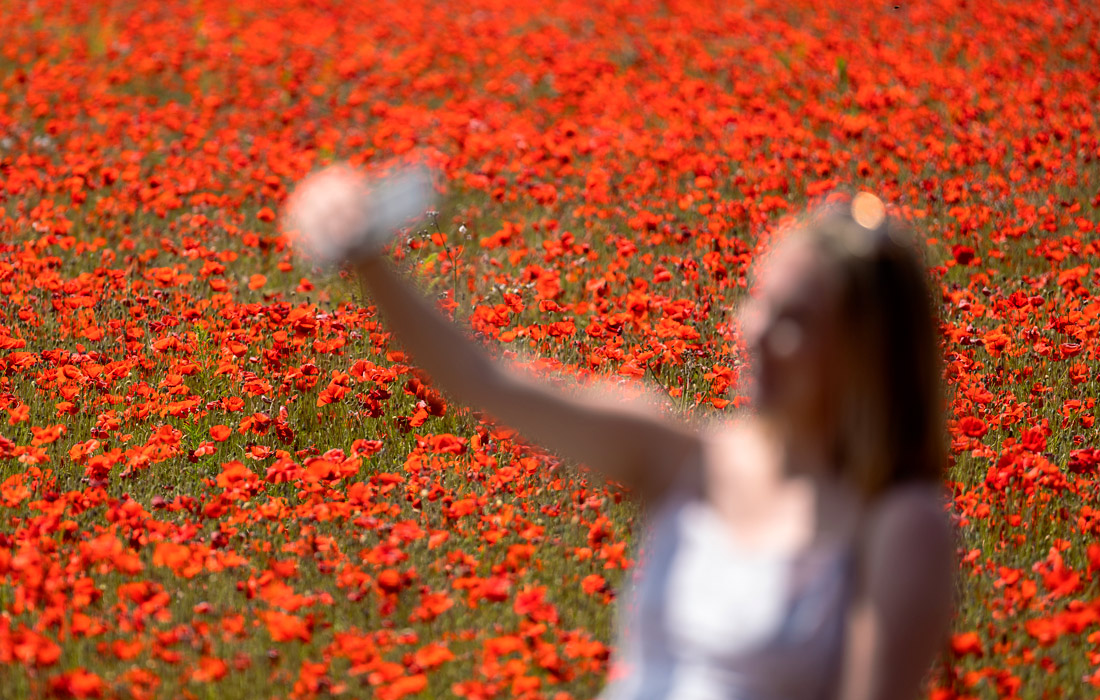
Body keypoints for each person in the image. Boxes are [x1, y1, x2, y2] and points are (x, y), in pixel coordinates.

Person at [284, 168, 956, 700]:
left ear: (870, 353)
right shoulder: (685, 457)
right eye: (758, 302)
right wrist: (365, 257)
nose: (755, 335)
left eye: (797, 322)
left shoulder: (898, 523)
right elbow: (484, 379)